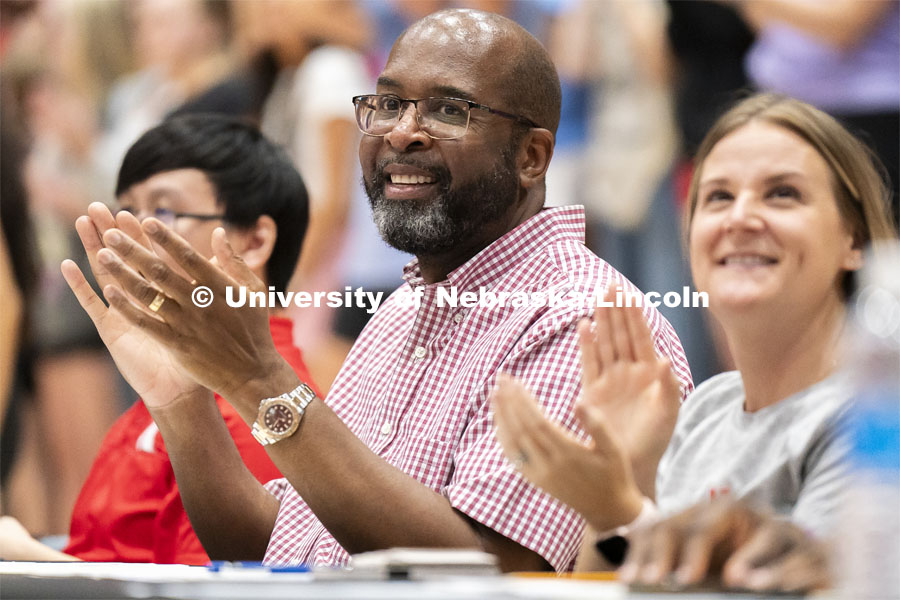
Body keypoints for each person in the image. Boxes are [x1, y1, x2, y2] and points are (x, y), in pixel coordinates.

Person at [63, 9, 692, 572]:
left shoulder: (576, 317)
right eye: (387, 104)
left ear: (531, 156)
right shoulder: (400, 311)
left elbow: (493, 573)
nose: (401, 132)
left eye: (449, 110)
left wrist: (259, 379)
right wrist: (183, 402)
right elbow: (278, 552)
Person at [493, 93, 897, 590]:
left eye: (782, 194)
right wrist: (631, 474)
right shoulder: (705, 408)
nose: (740, 218)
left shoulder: (874, 418)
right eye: (719, 197)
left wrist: (618, 507)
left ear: (853, 241)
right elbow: (603, 589)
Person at [0, 114, 316, 564]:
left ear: (254, 241)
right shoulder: (173, 371)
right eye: (127, 211)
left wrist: (26, 557)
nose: (128, 236)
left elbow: (216, 585)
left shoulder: (264, 405)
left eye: (163, 213)